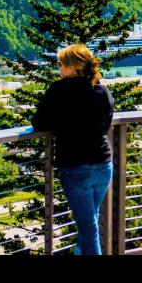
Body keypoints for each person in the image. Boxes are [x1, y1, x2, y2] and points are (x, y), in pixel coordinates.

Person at [32, 44, 114, 254]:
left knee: (88, 226)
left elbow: (39, 122)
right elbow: (105, 125)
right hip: (104, 165)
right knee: (90, 220)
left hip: (76, 166)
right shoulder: (102, 90)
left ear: (70, 67)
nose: (58, 68)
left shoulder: (59, 90)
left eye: (60, 64)